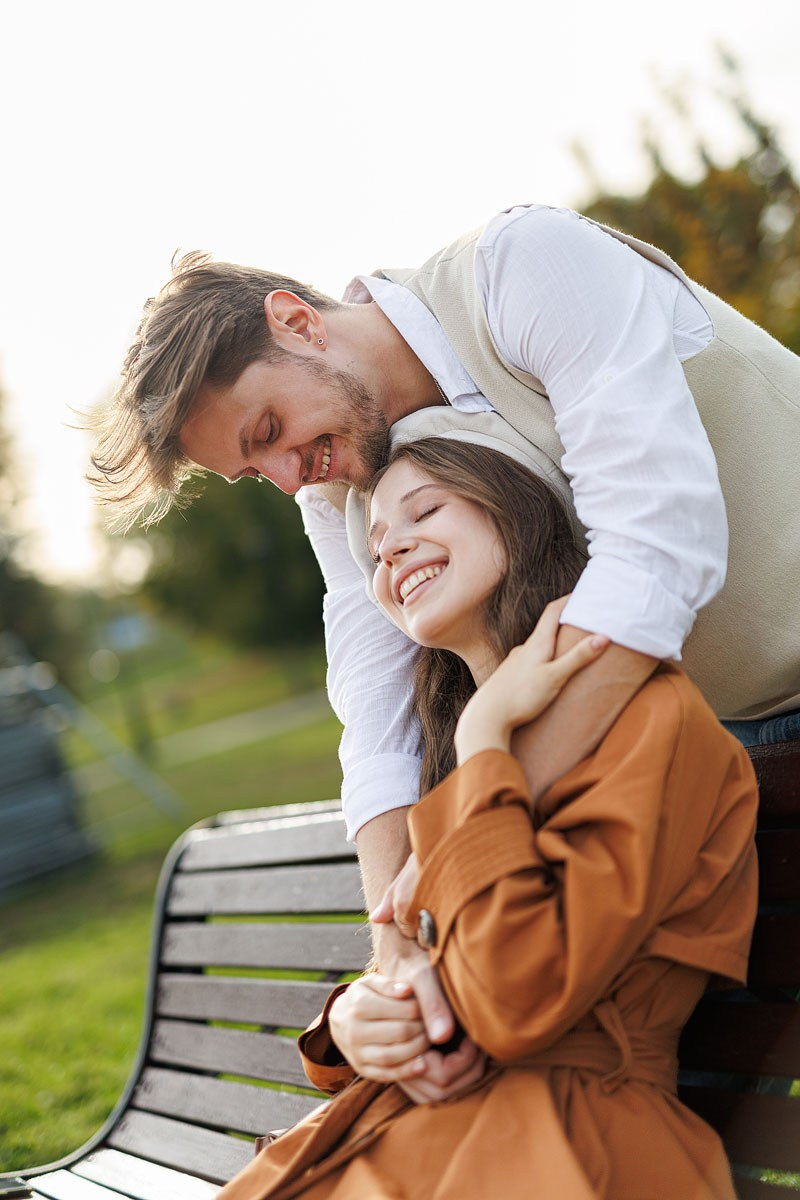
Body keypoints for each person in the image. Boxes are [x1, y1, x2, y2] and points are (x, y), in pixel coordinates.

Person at [91, 202, 799, 1070]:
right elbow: (374, 712)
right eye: (253, 470)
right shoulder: (336, 478)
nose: (285, 478)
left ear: (296, 320)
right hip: (733, 738)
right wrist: (395, 947)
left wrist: (477, 799)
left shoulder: (523, 271)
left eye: (268, 432)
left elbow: (658, 554)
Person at [215, 437, 758, 1200]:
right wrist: (358, 1018)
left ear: (520, 511)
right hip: (432, 1139)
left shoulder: (649, 720)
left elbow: (515, 997)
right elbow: (442, 971)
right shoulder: (463, 756)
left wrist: (485, 739)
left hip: (561, 1152)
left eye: (425, 509)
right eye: (373, 548)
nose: (391, 546)